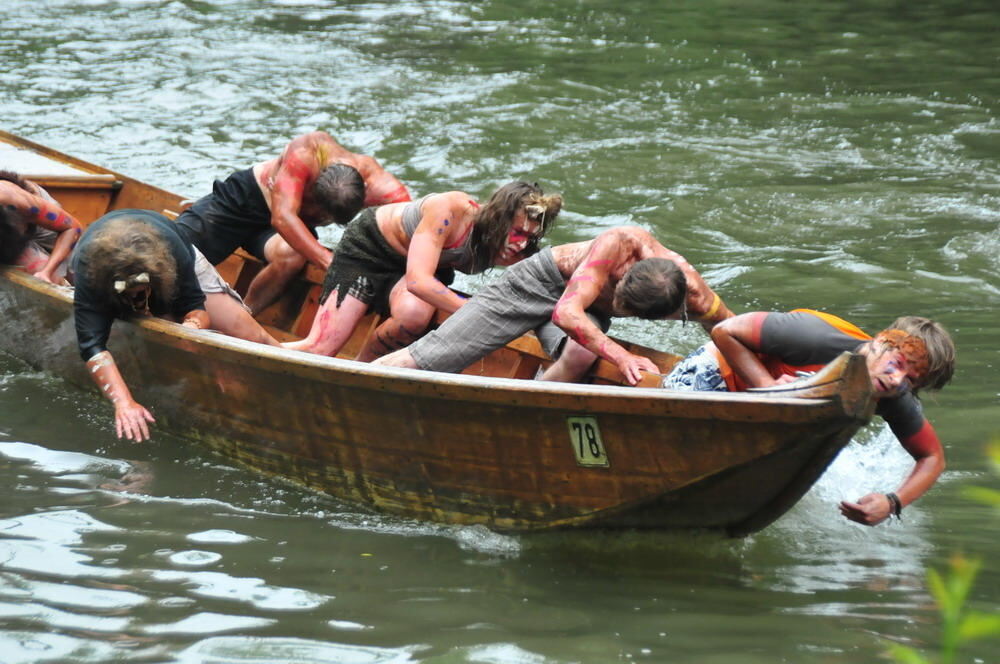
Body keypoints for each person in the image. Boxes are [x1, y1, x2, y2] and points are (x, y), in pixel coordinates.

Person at [661, 309, 956, 526]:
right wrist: (766, 387)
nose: (896, 380)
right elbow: (725, 330)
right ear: (883, 343)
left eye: (912, 380)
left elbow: (932, 457)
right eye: (898, 364)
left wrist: (892, 503)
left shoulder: (892, 392)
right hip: (714, 378)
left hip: (761, 418)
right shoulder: (816, 338)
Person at [374, 225, 734, 385]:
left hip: (585, 307)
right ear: (626, 274)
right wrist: (622, 357)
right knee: (430, 357)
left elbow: (734, 331)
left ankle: (528, 409)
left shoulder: (697, 296)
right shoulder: (619, 245)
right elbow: (566, 312)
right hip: (540, 283)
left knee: (581, 355)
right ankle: (358, 380)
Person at [285, 181, 564, 361]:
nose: (521, 243)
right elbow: (419, 281)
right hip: (370, 251)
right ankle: (249, 343)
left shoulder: (521, 250)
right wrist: (478, 311)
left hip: (417, 270)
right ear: (498, 218)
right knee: (320, 349)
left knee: (414, 315)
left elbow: (549, 287)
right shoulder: (451, 210)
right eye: (516, 232)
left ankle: (364, 369)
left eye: (530, 237)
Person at [72, 209, 279, 442]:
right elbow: (92, 344)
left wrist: (191, 327)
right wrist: (123, 402)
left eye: (140, 292)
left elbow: (195, 306)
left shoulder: (173, 253)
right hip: (105, 274)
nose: (136, 298)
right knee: (182, 354)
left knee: (251, 336)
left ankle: (286, 372)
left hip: (173, 257)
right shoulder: (88, 271)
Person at [174, 131, 411, 313]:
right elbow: (283, 217)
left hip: (282, 229)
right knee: (176, 249)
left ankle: (243, 315)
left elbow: (413, 228)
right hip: (246, 200)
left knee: (293, 256)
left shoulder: (383, 188)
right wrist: (331, 263)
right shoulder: (308, 152)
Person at [0, 170, 83, 283]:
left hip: (40, 220)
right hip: (11, 229)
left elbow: (72, 228)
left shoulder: (15, 200)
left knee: (71, 270)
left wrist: (46, 272)